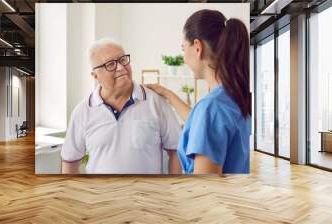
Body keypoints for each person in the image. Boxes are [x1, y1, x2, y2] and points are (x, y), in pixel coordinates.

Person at [146, 9, 251, 175]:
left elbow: (205, 188)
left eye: (183, 48)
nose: (183, 56)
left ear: (197, 47)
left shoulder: (211, 107)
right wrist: (167, 93)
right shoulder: (231, 96)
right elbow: (201, 124)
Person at [61, 38, 182, 174]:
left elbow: (176, 151)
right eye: (111, 64)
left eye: (123, 60)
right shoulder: (82, 111)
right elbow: (70, 162)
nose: (121, 67)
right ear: (95, 75)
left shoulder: (156, 102)